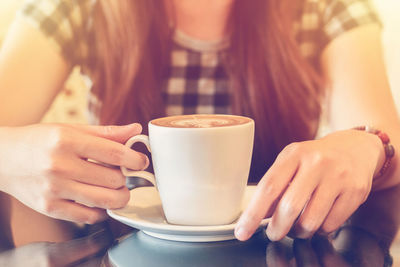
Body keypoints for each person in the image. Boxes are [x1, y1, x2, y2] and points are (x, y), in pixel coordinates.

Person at [0, 0, 398, 244]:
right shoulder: (77, 6)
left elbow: (382, 136)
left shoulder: (324, 7)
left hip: (278, 245)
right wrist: (10, 154)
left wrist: (368, 146)